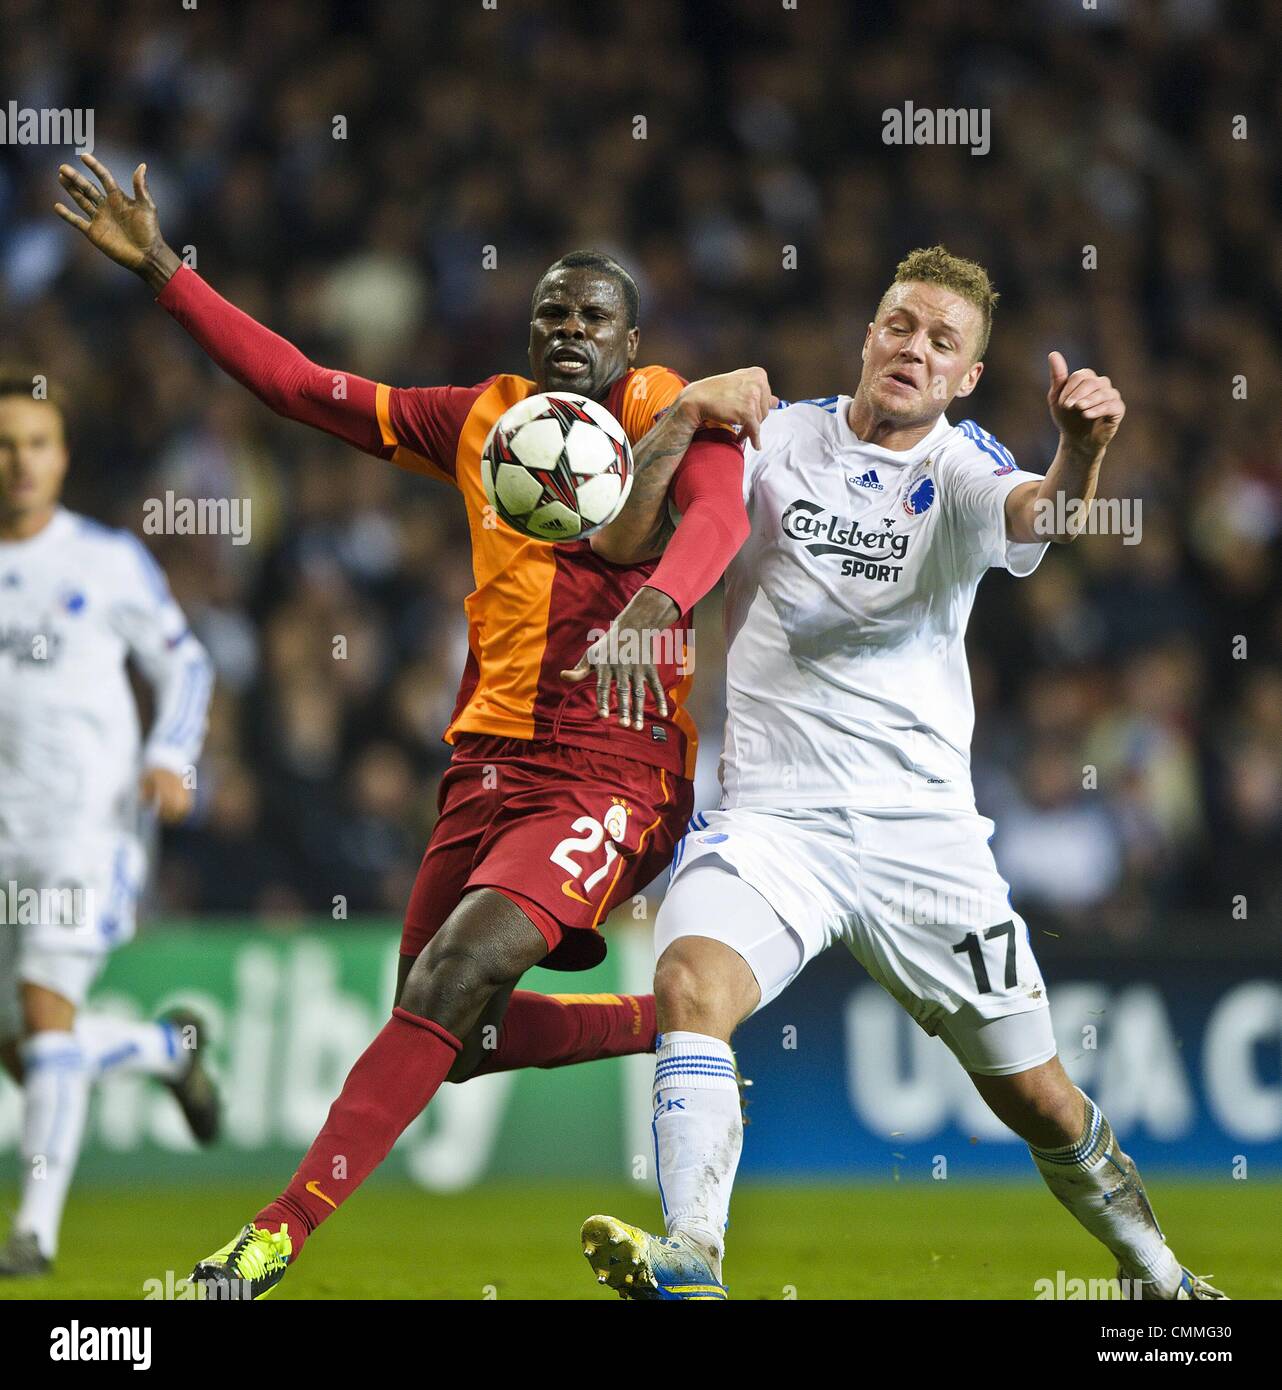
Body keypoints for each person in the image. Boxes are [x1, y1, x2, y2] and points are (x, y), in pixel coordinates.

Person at [54, 153, 772, 1298]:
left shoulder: (677, 412)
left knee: (452, 977)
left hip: (613, 773)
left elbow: (721, 522)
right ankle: (670, 1019)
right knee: (454, 1031)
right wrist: (162, 270)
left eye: (593, 315)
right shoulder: (483, 420)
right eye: (549, 311)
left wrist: (658, 599)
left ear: (629, 342)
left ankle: (269, 1241)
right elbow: (300, 387)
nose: (567, 328)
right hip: (482, 764)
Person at [576, 246, 1227, 1302]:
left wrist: (1078, 454)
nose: (913, 349)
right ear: (868, 332)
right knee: (689, 985)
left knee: (1041, 1101)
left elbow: (1040, 516)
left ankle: (1156, 1274)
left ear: (967, 376)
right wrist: (683, 413)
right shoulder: (775, 437)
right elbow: (628, 537)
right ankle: (692, 1254)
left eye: (942, 342)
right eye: (899, 324)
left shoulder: (962, 467)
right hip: (768, 822)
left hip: (921, 836)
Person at [0, 377, 218, 1277]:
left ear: (63, 456)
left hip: (87, 824)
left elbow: (186, 665)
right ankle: (167, 1050)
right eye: (5, 444)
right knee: (23, 1044)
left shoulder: (105, 559)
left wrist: (171, 755)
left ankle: (33, 1235)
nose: (19, 462)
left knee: (46, 1019)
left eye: (37, 443)